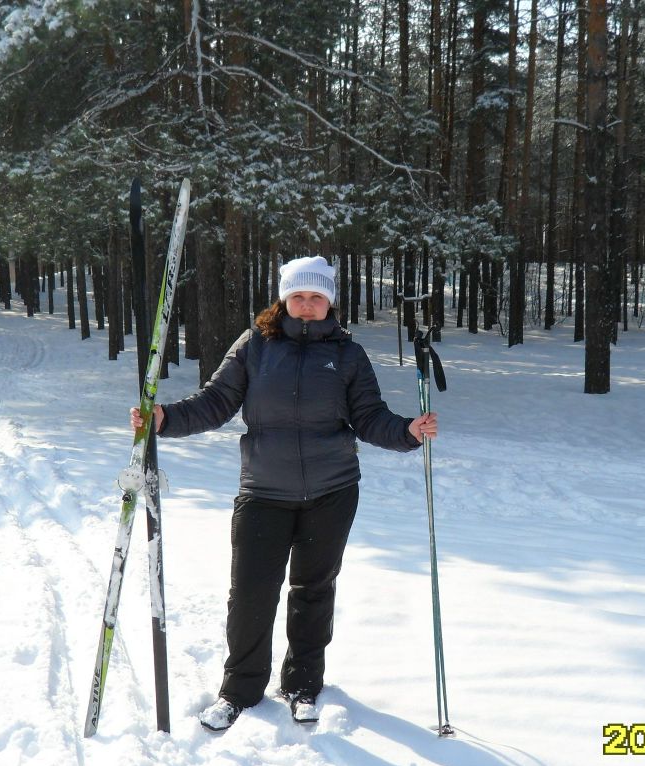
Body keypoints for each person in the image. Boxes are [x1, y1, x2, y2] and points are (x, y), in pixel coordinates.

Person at [131, 255, 439, 731]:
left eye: (317, 297)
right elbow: (215, 402)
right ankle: (239, 690)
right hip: (263, 492)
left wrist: (407, 431)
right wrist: (165, 419)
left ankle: (302, 686)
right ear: (285, 299)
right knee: (251, 595)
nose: (308, 305)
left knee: (313, 591)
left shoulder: (348, 355)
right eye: (299, 296)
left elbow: (369, 416)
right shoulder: (254, 346)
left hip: (332, 491)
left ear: (330, 301)